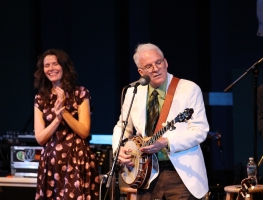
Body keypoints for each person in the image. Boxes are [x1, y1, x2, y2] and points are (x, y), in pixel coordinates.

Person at [112, 43, 209, 199]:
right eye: (149, 66)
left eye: (159, 62)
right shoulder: (132, 92)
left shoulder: (189, 89)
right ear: (141, 72)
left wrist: (166, 142)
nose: (156, 68)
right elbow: (122, 127)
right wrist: (119, 150)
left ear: (166, 63)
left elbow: (200, 130)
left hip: (180, 174)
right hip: (145, 174)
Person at [33, 49, 99, 200]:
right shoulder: (40, 98)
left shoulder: (80, 93)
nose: (51, 69)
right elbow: (40, 138)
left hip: (76, 159)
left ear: (64, 66)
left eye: (55, 64)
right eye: (47, 65)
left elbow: (84, 131)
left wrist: (63, 111)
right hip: (51, 162)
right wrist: (56, 119)